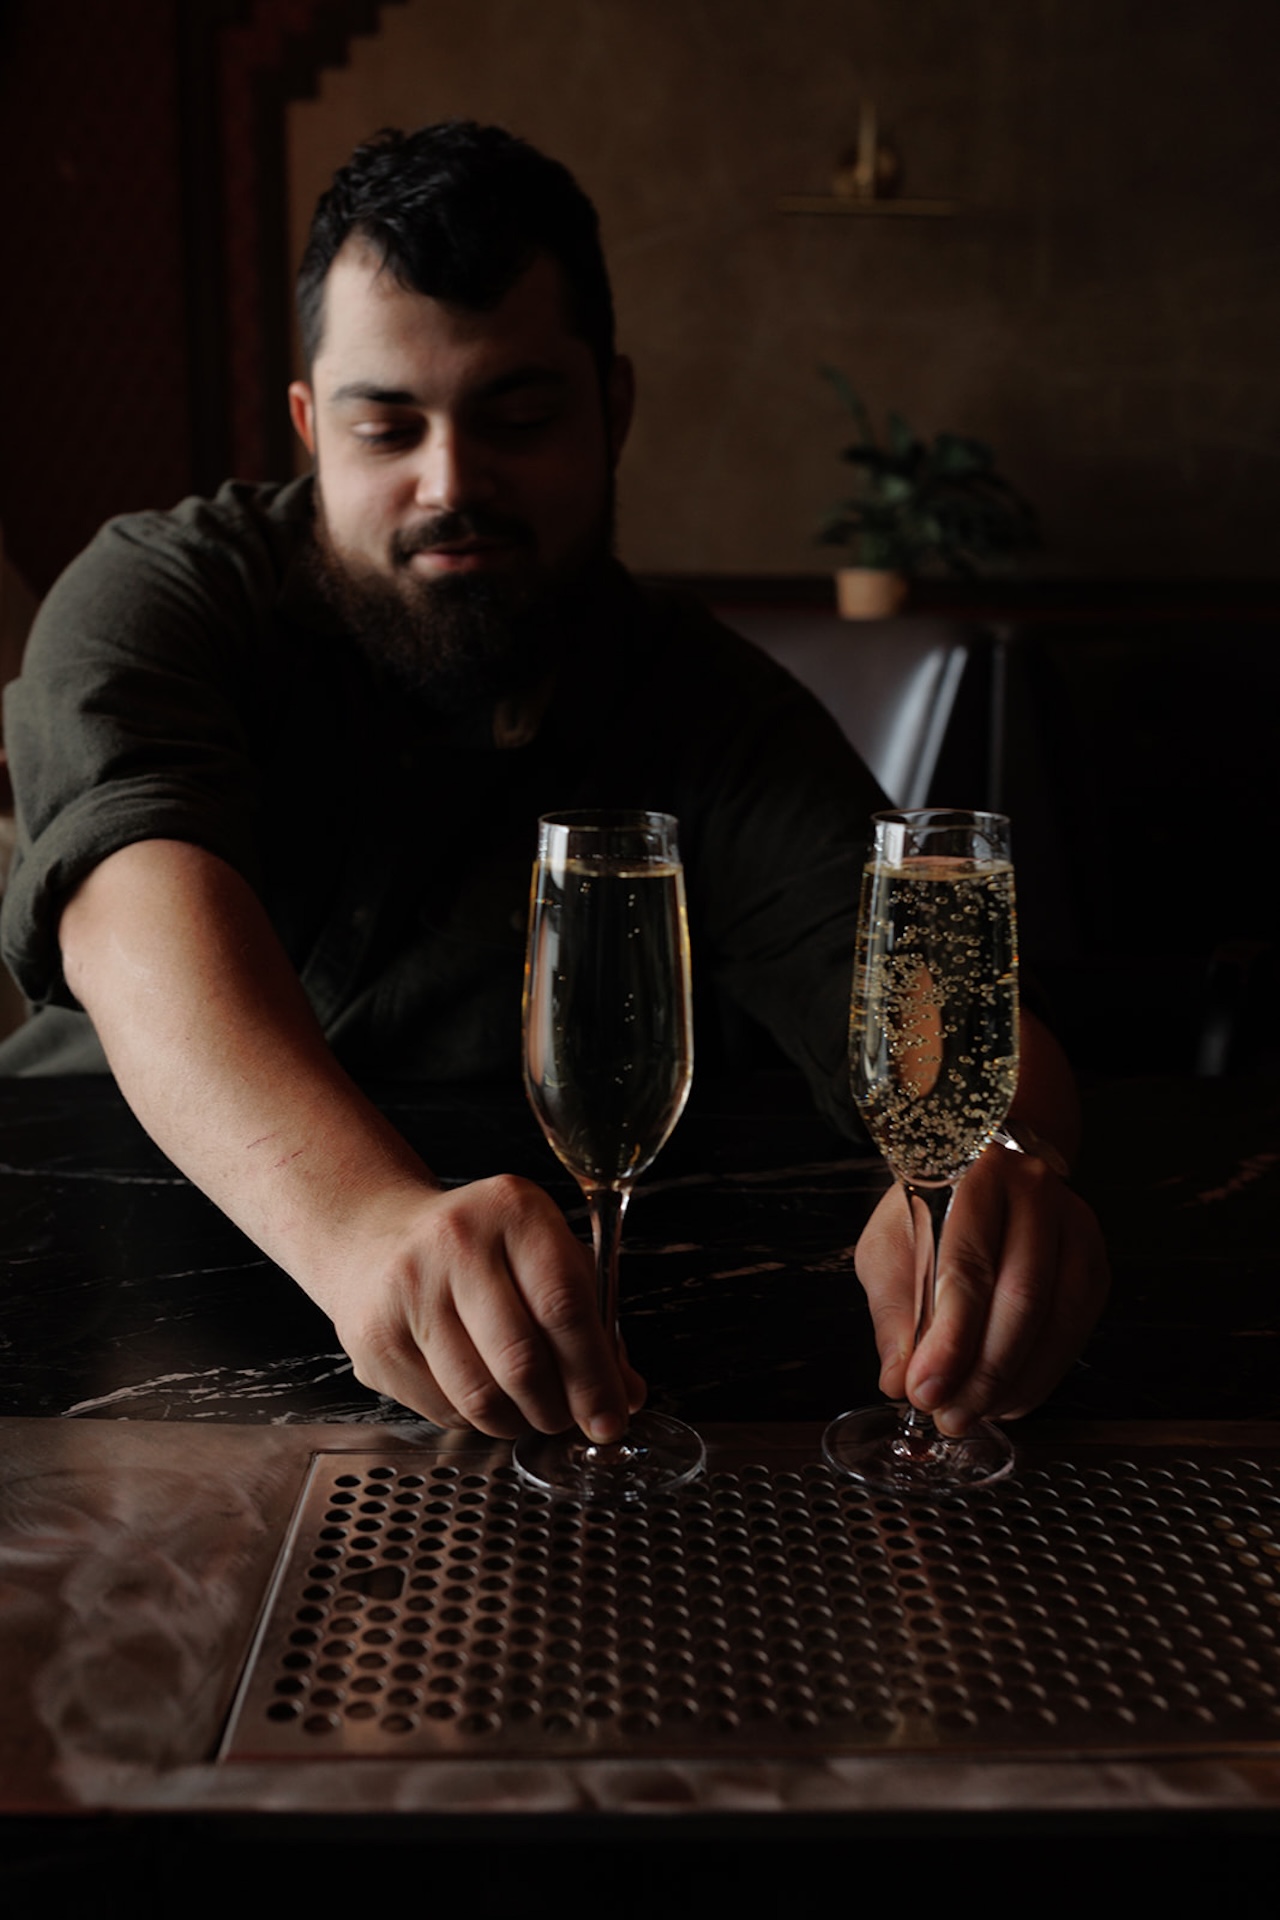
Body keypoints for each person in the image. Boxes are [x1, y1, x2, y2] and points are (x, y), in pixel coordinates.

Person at [0, 122, 1107, 1444]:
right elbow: (132, 908)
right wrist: (361, 1223)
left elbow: (908, 991)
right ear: (307, 426)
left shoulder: (704, 703)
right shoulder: (159, 596)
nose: (451, 482)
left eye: (517, 417)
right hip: (99, 1290)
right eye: (387, 425)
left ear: (613, 409)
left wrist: (1004, 1168)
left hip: (559, 1373)